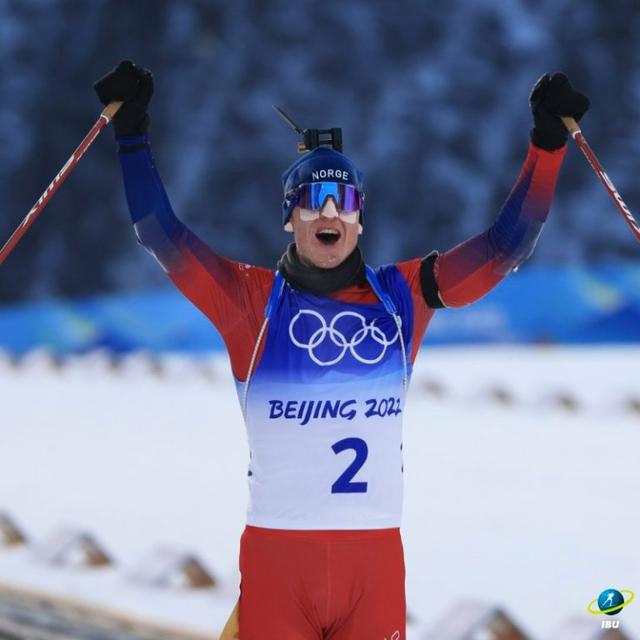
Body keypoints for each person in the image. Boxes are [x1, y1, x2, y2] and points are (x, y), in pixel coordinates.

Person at [93, 61, 589, 640]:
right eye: (313, 199)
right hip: (281, 563)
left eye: (344, 200)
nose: (329, 213)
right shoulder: (248, 303)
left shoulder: (405, 298)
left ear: (359, 218)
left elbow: (506, 247)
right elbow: (160, 233)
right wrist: (132, 133)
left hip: (371, 568)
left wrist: (547, 145)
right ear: (290, 217)